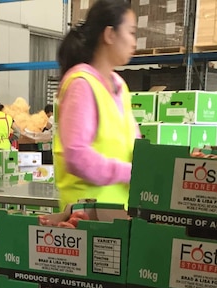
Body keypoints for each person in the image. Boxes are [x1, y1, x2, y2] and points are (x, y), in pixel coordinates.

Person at [53, 0, 140, 209]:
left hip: (118, 214)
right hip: (86, 220)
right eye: (131, 32)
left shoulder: (119, 85)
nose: (134, 42)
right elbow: (77, 155)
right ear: (110, 34)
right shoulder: (82, 85)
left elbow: (134, 143)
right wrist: (128, 172)